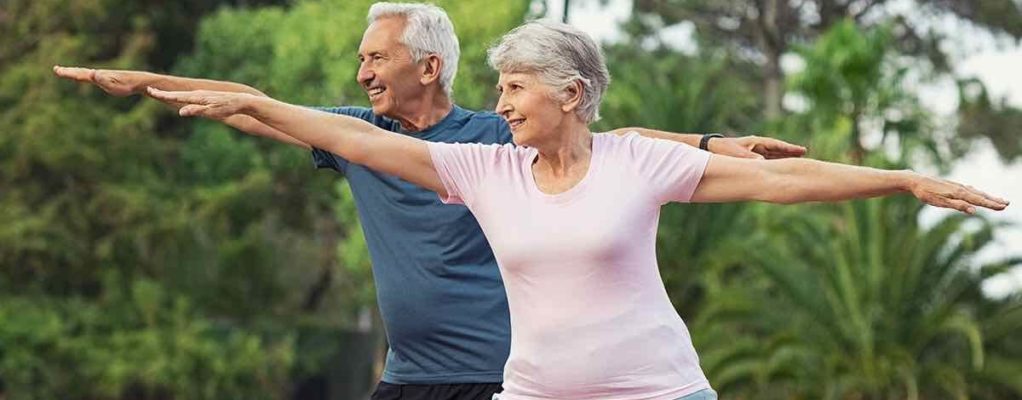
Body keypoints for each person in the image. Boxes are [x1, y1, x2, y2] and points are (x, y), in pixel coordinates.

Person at [142, 19, 1008, 400]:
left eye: (516, 88)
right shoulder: (486, 171)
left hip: (658, 392)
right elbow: (366, 142)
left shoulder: (639, 162)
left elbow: (783, 183)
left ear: (572, 93)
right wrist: (249, 99)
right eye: (500, 88)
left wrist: (901, 180)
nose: (504, 103)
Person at [54, 4, 809, 399]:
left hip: (501, 376)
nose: (361, 74)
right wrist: (147, 83)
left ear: (430, 65)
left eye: (375, 58)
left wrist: (708, 145)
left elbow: (617, 141)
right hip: (410, 375)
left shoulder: (496, 137)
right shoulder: (360, 137)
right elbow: (260, 104)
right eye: (359, 60)